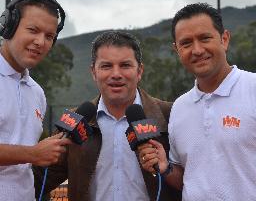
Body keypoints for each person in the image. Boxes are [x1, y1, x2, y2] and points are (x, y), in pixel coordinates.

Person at [33, 31, 182, 201]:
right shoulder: (76, 120)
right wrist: (33, 154)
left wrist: (167, 168)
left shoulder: (171, 115)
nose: (116, 74)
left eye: (125, 65)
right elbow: (36, 181)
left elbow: (196, 179)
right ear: (93, 72)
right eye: (106, 66)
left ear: (139, 70)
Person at [138, 3, 256, 200]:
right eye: (186, 43)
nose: (197, 50)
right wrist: (166, 168)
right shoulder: (180, 108)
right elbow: (188, 178)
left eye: (205, 38)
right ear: (177, 50)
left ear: (224, 39)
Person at [0, 0, 71, 201]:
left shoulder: (37, 93)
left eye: (49, 36)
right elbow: (32, 154)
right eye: (33, 30)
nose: (40, 42)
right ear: (9, 26)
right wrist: (34, 153)